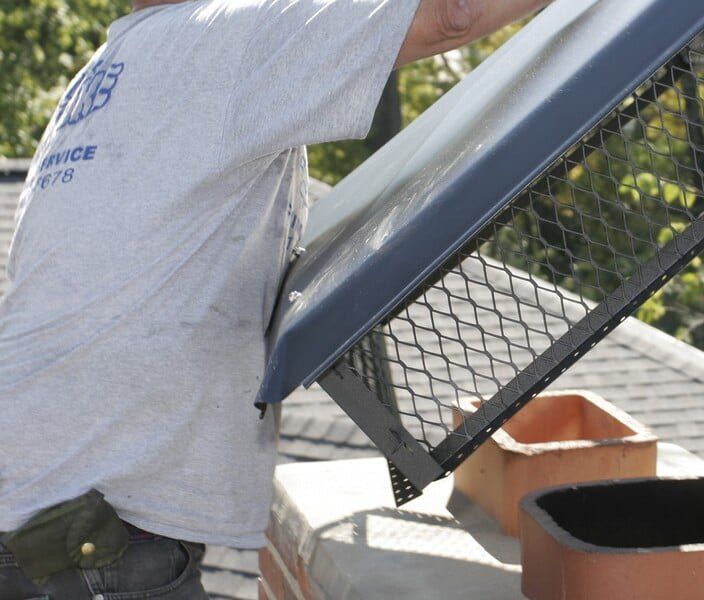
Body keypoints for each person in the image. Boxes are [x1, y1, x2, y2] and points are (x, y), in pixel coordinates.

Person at [0, 0, 551, 596]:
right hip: (86, 541)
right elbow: (451, 14)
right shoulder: (220, 38)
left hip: (48, 511)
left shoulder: (106, 73)